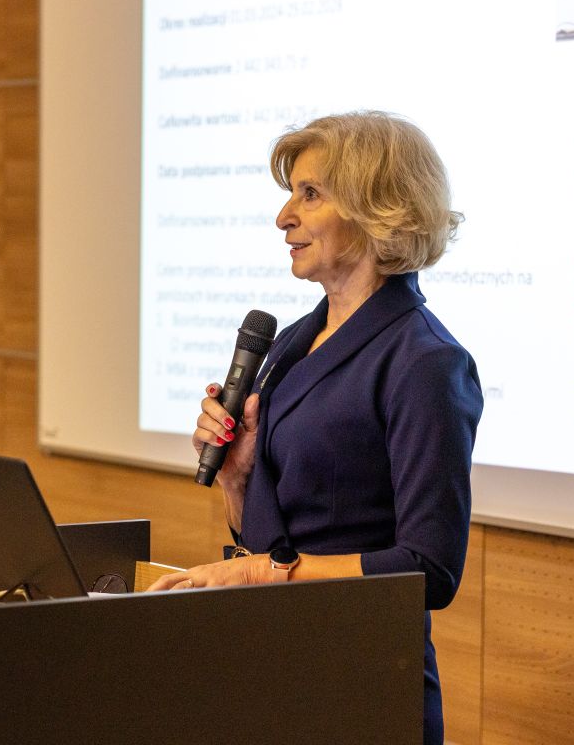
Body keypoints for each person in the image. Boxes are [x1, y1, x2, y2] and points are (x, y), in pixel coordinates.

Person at [147, 111, 483, 745]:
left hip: (363, 684)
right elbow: (273, 537)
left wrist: (255, 574)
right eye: (290, 194)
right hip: (275, 666)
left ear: (376, 208)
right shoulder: (292, 343)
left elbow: (429, 568)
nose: (284, 217)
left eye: (310, 194)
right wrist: (239, 481)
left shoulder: (425, 362)